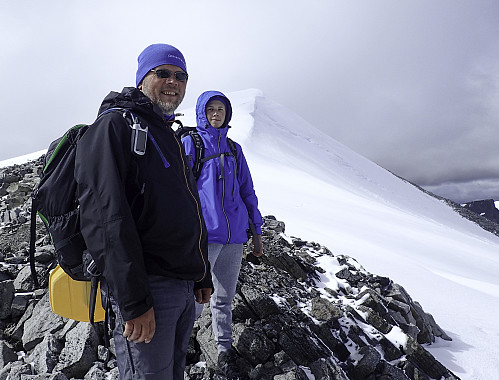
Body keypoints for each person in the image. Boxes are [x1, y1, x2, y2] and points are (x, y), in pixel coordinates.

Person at [74, 43, 213, 380]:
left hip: (182, 287)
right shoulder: (115, 127)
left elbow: (189, 208)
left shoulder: (167, 134)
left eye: (181, 76)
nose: (173, 82)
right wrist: (135, 302)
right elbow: (105, 218)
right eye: (162, 72)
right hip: (148, 289)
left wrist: (201, 272)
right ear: (142, 79)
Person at [181, 90, 263, 378]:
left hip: (234, 237)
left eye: (221, 109)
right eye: (211, 109)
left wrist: (256, 231)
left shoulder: (234, 149)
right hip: (205, 237)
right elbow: (180, 192)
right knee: (194, 297)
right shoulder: (190, 144)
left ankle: (224, 350)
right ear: (202, 112)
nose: (216, 114)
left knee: (224, 297)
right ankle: (179, 347)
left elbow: (247, 191)